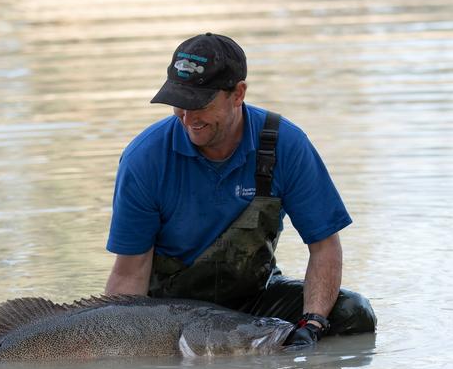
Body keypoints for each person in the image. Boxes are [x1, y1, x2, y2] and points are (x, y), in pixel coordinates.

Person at [105, 32, 376, 347]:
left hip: (254, 301)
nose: (187, 118)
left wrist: (312, 325)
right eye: (179, 103)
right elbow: (129, 274)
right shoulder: (144, 158)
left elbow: (324, 246)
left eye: (199, 104)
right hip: (171, 313)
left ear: (238, 94)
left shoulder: (284, 145)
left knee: (353, 314)